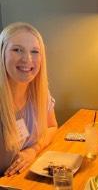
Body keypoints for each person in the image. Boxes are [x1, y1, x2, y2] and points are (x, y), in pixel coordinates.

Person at [0, 22, 58, 176]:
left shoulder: (39, 91)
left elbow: (52, 127)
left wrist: (32, 151)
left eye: (34, 51)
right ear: (2, 53)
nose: (27, 59)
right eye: (17, 50)